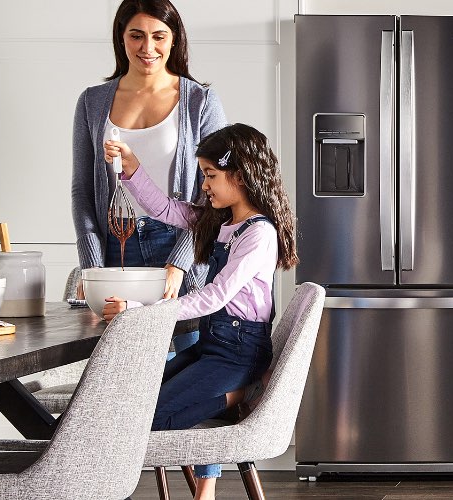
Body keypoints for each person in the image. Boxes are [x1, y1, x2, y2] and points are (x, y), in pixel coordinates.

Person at [102, 123, 298, 500]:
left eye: (210, 175)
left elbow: (214, 297)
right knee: (137, 402)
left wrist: (143, 310)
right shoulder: (222, 222)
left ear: (239, 176)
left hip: (238, 353)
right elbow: (163, 208)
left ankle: (235, 397)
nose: (204, 185)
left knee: (152, 419)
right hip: (212, 347)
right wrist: (132, 167)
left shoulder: (259, 234)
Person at [71, 0, 226, 351]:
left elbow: (213, 192)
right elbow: (82, 191)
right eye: (136, 35)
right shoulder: (91, 102)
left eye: (159, 36)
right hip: (115, 248)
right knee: (121, 372)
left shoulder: (199, 102)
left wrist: (181, 262)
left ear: (174, 40)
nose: (148, 48)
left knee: (179, 368)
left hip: (175, 243)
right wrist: (92, 266)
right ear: (121, 38)